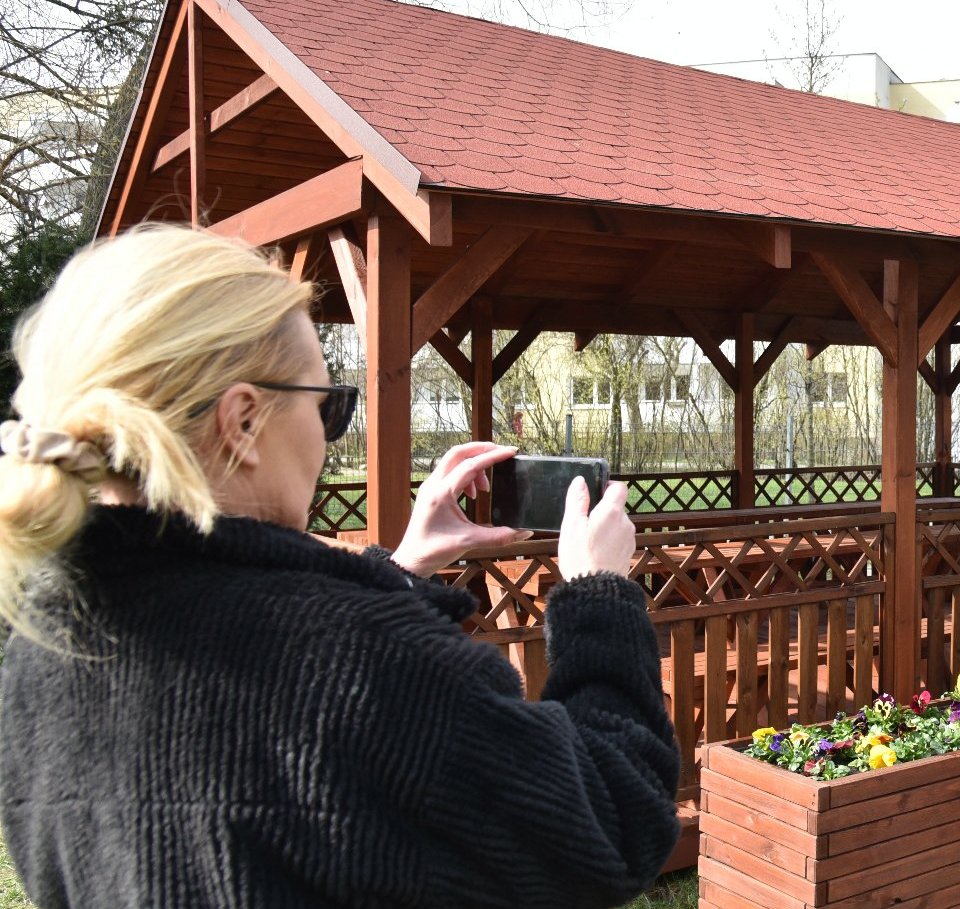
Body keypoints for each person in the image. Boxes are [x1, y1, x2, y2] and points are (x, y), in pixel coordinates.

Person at [0, 225, 681, 908]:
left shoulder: (38, 654)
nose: (329, 437)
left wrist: (402, 570)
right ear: (242, 421)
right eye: (330, 407)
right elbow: (615, 821)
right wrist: (599, 597)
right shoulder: (372, 667)